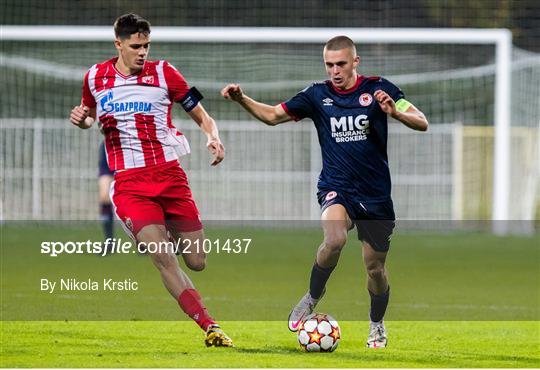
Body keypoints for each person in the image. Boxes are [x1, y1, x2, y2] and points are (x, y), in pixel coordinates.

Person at [221, 35, 428, 348]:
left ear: (355, 62)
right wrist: (242, 99)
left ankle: (376, 325)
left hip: (375, 196)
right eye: (329, 64)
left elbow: (422, 121)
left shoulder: (379, 89)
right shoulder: (316, 95)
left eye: (341, 64)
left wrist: (396, 114)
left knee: (375, 270)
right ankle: (312, 296)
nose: (335, 70)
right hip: (336, 187)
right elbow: (273, 116)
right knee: (334, 239)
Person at [70, 13, 233, 347]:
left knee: (197, 261)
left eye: (146, 45)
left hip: (170, 177)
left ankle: (157, 231)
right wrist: (82, 121)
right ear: (119, 44)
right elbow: (88, 118)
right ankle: (209, 325)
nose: (143, 51)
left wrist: (212, 137)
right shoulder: (95, 78)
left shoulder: (165, 73)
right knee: (163, 257)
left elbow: (202, 115)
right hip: (130, 183)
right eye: (136, 46)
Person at [98, 140, 115, 244]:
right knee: (104, 197)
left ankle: (142, 241)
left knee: (135, 199)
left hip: (128, 149)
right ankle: (109, 241)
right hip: (109, 147)